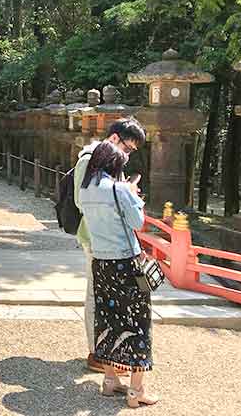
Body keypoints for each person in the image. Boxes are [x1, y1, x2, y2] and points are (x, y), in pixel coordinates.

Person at [79, 141, 156, 408]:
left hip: (101, 262)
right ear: (114, 165)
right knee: (137, 323)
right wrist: (133, 194)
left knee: (108, 319)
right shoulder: (119, 189)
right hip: (125, 262)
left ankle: (110, 380)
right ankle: (137, 390)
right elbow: (138, 222)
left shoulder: (86, 189)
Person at [74, 118, 146, 374]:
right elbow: (81, 201)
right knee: (96, 294)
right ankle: (97, 352)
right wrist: (122, 196)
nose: (129, 153)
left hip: (114, 241)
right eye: (128, 147)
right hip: (96, 238)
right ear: (115, 138)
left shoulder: (111, 161)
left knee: (112, 298)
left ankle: (109, 353)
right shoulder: (88, 160)